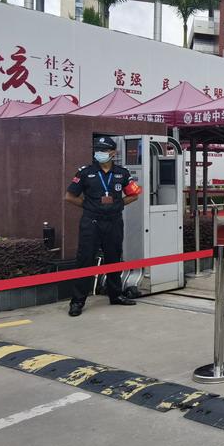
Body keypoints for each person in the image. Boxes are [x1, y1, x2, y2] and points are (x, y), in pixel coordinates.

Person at [64, 136, 143, 317]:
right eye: (97, 149)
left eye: (104, 150)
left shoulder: (122, 173)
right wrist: (89, 206)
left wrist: (118, 204)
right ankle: (77, 302)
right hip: (91, 222)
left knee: (114, 258)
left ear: (113, 153)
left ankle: (116, 295)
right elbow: (69, 196)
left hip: (113, 221)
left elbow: (134, 195)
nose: (100, 153)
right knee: (85, 260)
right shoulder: (85, 172)